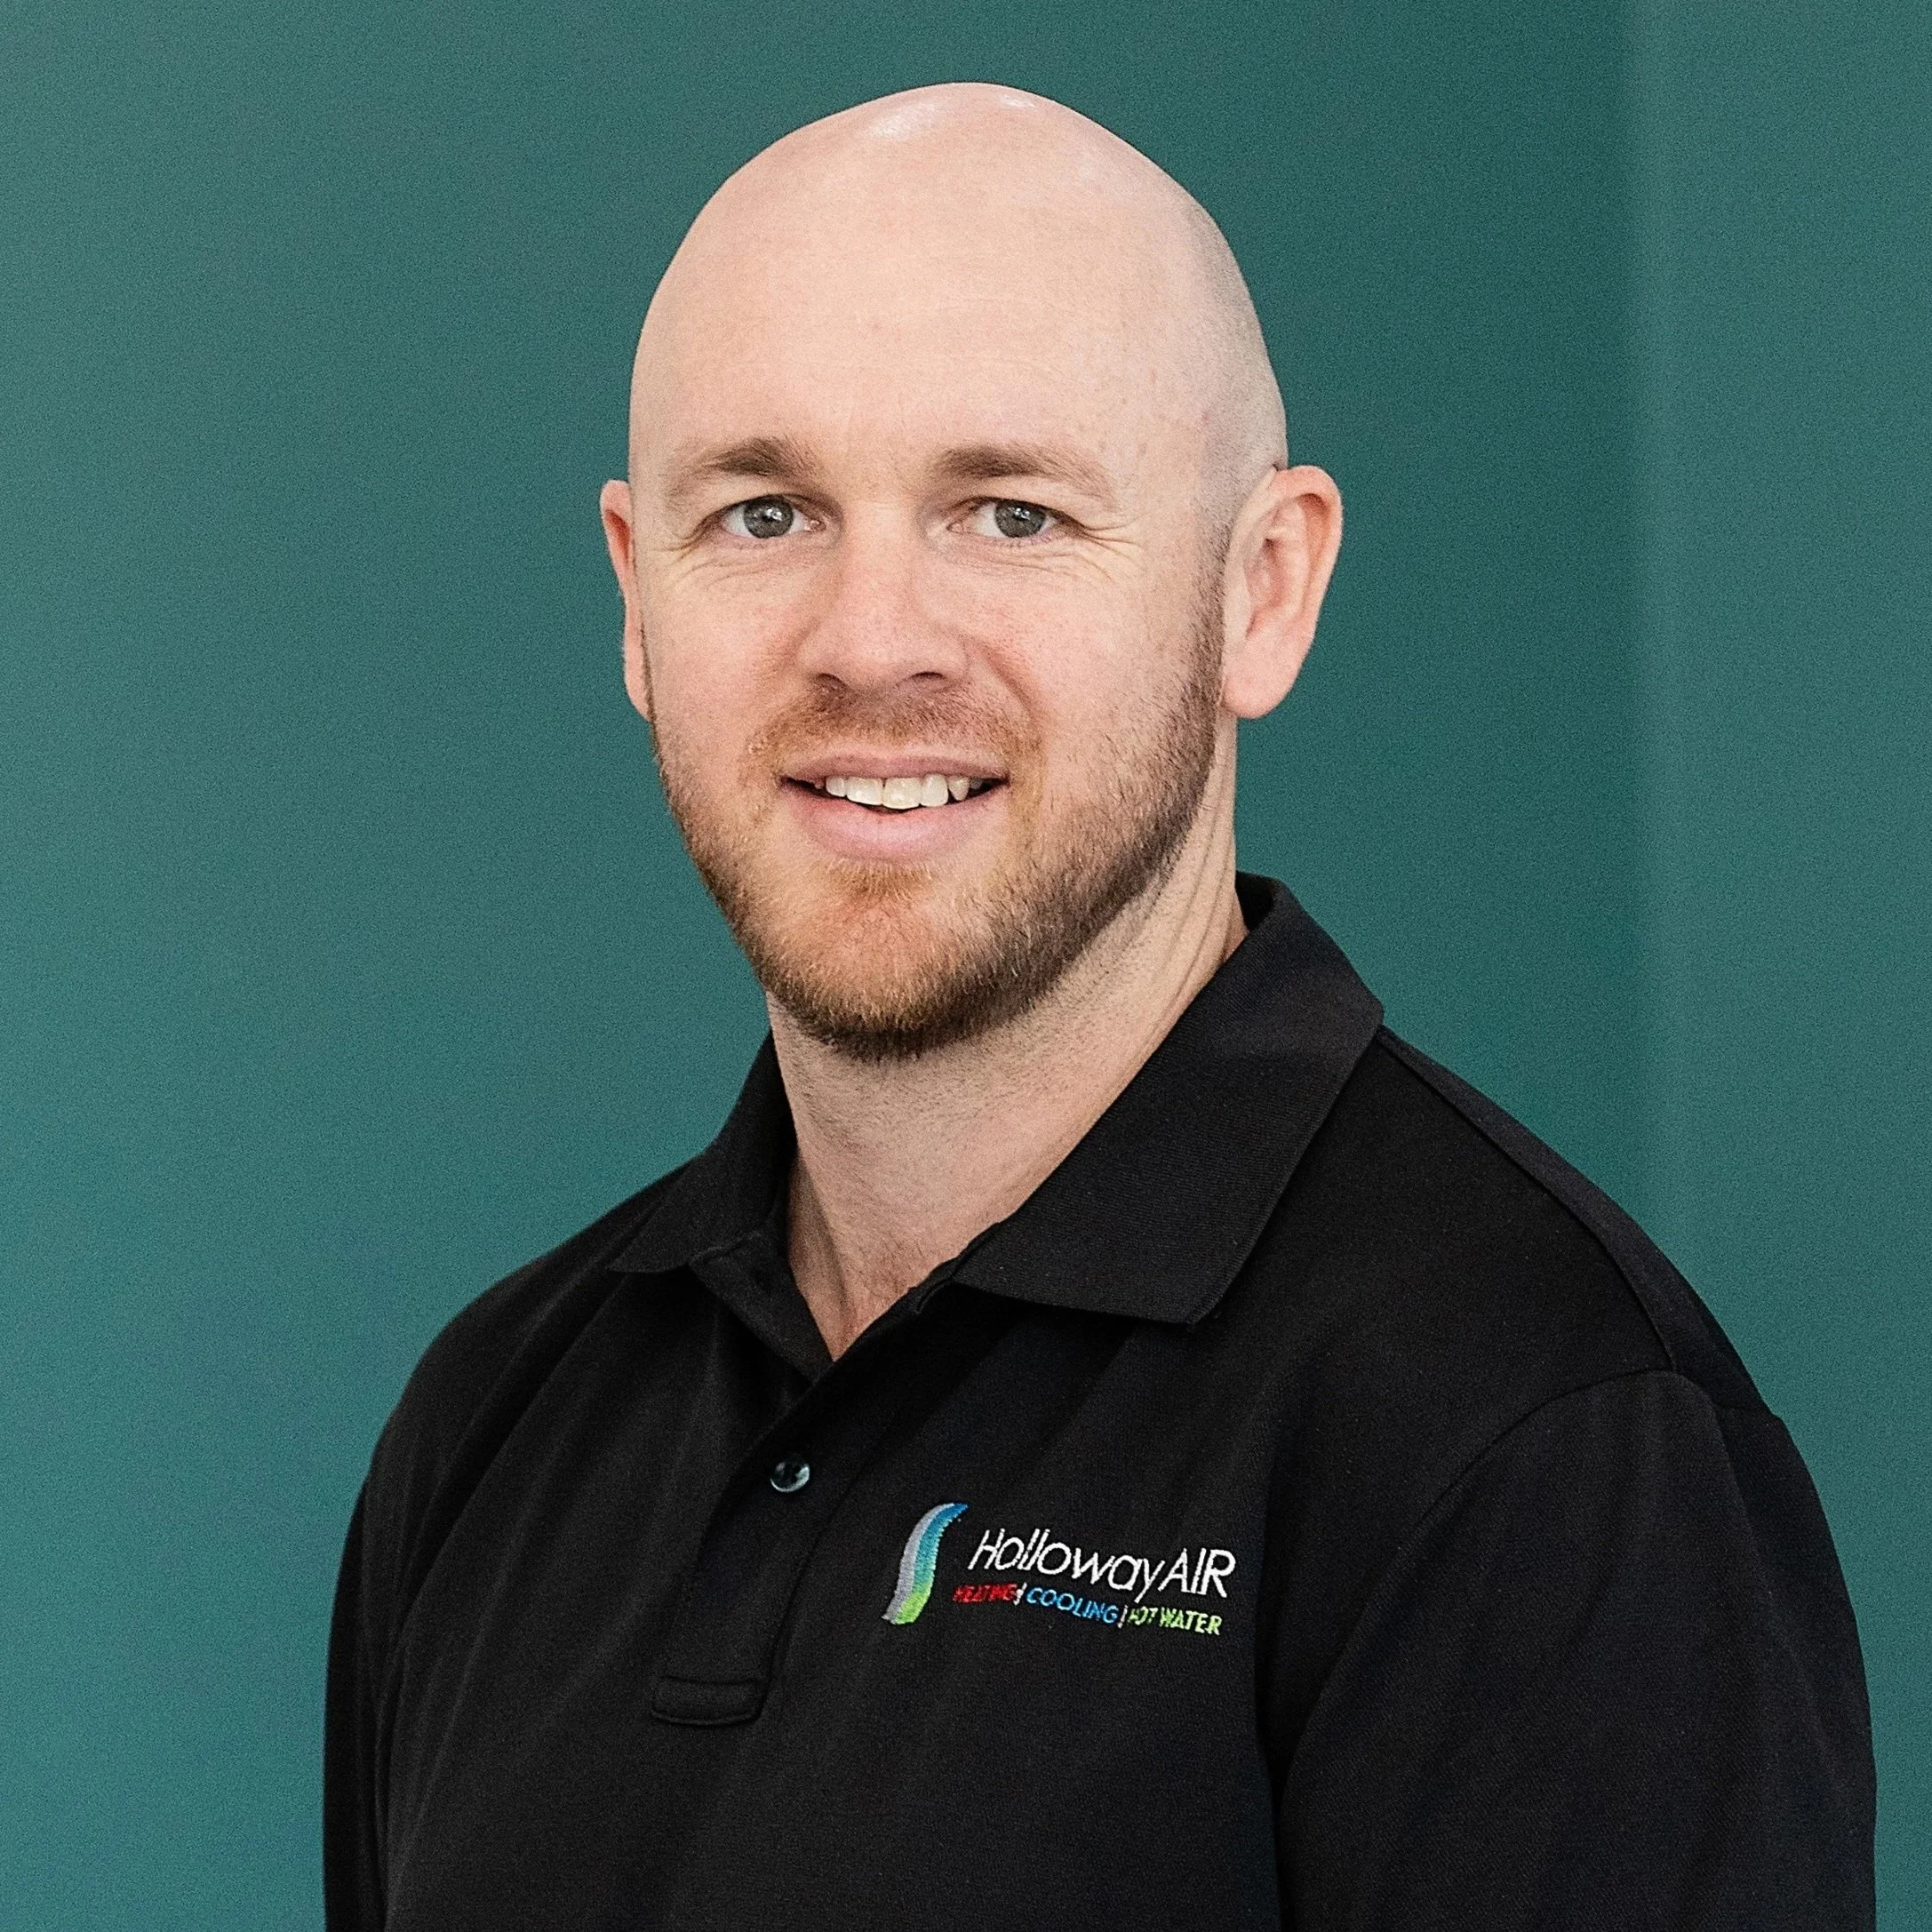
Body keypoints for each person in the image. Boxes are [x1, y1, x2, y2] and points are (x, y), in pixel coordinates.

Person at [324, 83, 1874, 1930]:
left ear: (1261, 590)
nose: (870, 640)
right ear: (636, 598)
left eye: (1009, 512)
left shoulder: (1538, 1430)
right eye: (763, 513)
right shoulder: (499, 1414)